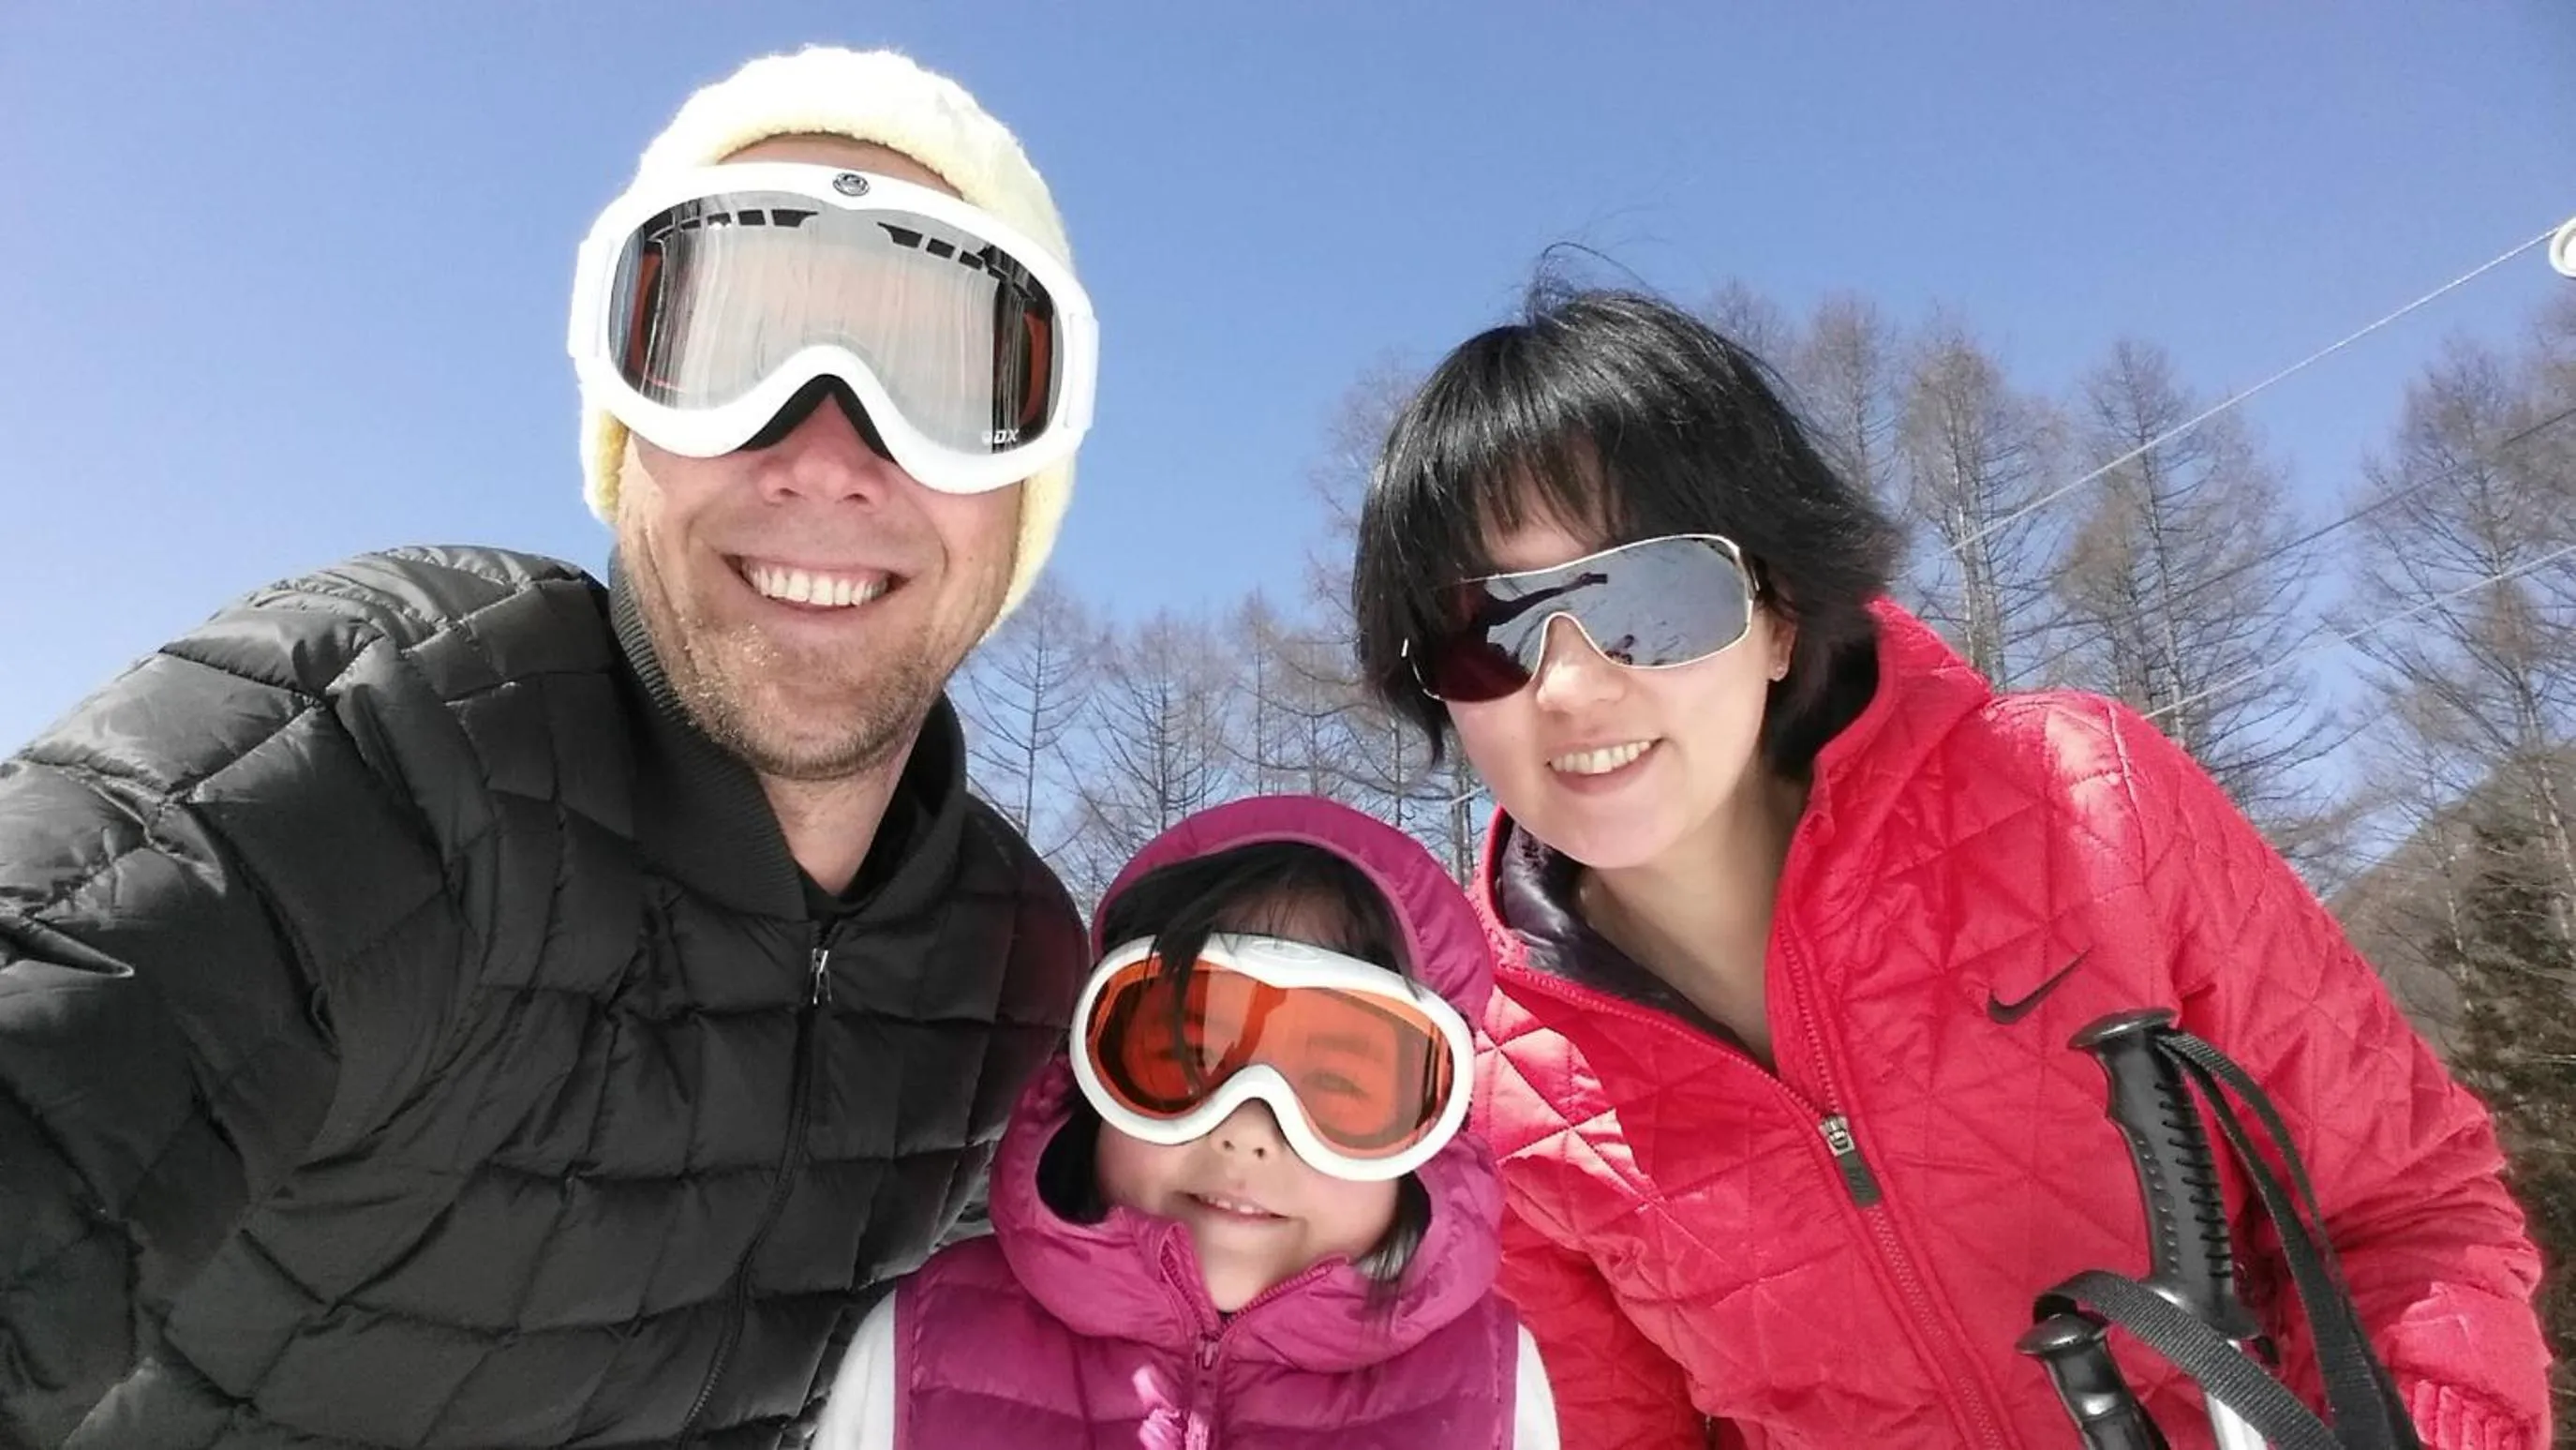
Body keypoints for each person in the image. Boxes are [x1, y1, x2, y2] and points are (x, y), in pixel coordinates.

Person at [0, 46, 1095, 1447]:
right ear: (625, 426)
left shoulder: (1017, 967)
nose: (827, 450)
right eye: (731, 351)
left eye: (941, 376)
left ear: (1025, 495)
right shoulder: (387, 740)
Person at [1347, 285, 2553, 1449]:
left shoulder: (2087, 809)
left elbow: (2404, 1211)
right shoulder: (1481, 1081)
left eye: (1649, 595)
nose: (1566, 683)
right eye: (1488, 628)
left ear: (1777, 612)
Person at [814, 795, 1559, 1448]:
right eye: (1184, 1061)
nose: (1249, 1130)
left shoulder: (1492, 1389)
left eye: (1339, 1086)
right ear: (1088, 1076)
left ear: (1428, 1141)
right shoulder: (921, 1350)